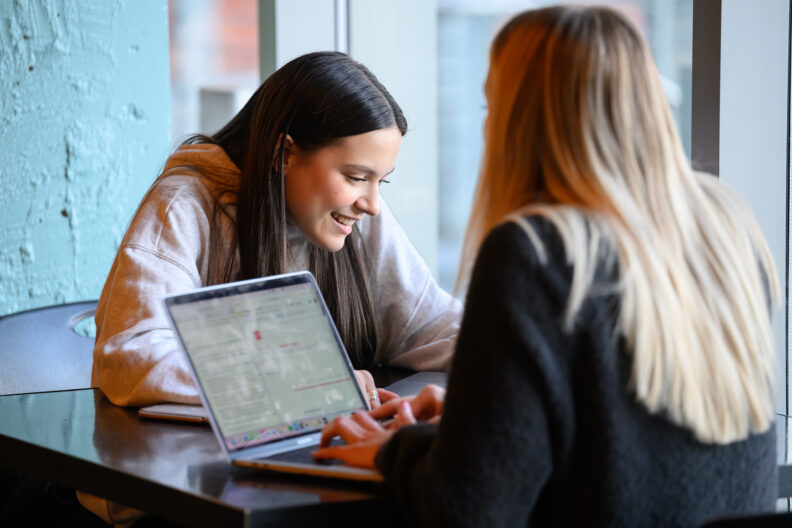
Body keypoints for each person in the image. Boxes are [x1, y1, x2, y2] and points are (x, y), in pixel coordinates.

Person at [313, 6, 780, 526]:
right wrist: (478, 421)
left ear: (526, 122)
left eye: (494, 107)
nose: (488, 130)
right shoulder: (725, 229)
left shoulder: (534, 254)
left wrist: (393, 450)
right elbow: (638, 444)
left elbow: (466, 509)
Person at [91, 51, 461, 411]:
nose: (373, 204)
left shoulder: (356, 218)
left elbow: (436, 326)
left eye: (382, 181)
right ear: (284, 155)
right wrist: (308, 378)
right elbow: (132, 355)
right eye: (356, 177)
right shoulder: (183, 206)